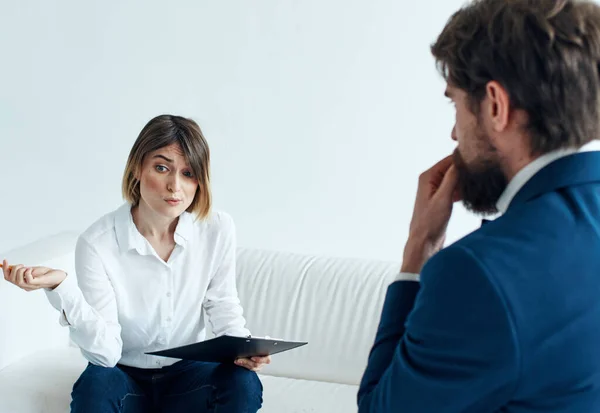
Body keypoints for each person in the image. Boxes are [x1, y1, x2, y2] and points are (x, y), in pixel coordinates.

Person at [358, 0, 600, 412]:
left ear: (494, 106)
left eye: (456, 104)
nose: (454, 132)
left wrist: (418, 250)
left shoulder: (477, 274)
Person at [3, 114, 267, 413]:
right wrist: (61, 287)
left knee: (243, 383)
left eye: (188, 173)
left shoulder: (217, 228)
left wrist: (242, 350)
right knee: (95, 387)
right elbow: (105, 354)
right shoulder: (97, 243)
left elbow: (223, 306)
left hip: (189, 374)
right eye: (162, 167)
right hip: (124, 374)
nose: (174, 186)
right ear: (137, 168)